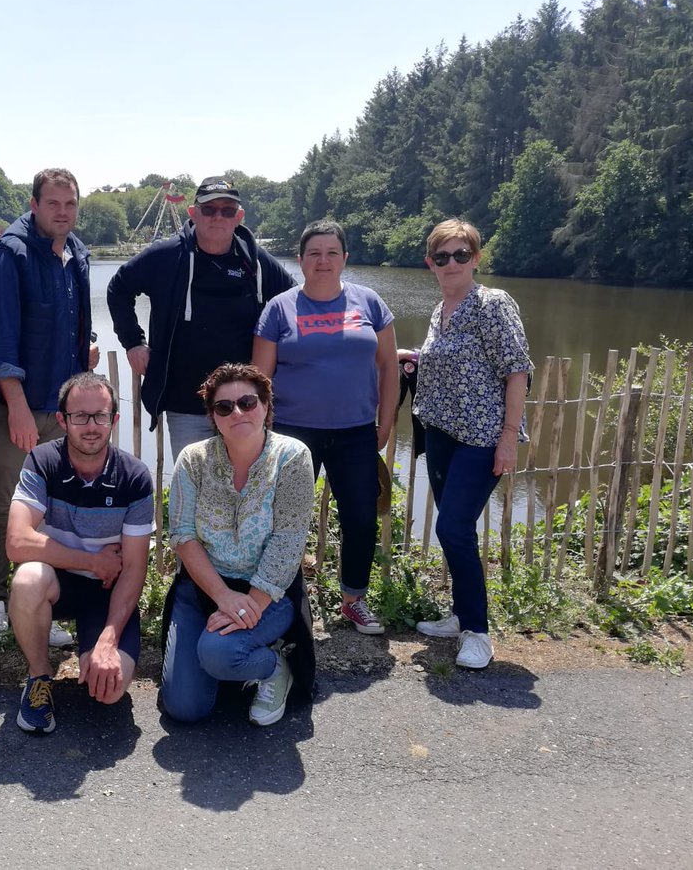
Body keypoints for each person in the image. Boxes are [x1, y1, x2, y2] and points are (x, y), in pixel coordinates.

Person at [252, 219, 398, 635]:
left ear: (344, 259)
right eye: (314, 253)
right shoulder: (279, 308)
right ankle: (282, 600)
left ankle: (353, 600)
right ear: (300, 260)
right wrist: (265, 437)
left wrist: (384, 423)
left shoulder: (369, 303)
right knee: (285, 520)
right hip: (294, 435)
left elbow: (389, 367)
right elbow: (260, 381)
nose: (323, 260)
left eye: (332, 252)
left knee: (360, 519)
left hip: (355, 432)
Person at [0, 168, 98, 643]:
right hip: (20, 408)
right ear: (33, 204)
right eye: (53, 204)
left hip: (61, 405)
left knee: (47, 512)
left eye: (70, 205)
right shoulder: (9, 255)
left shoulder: (77, 252)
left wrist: (86, 344)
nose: (63, 213)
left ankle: (35, 604)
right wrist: (18, 407)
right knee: (5, 506)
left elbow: (78, 318)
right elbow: (0, 340)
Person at [160, 363, 316, 726]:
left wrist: (252, 602)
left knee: (217, 652)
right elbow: (183, 535)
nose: (238, 412)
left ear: (265, 405)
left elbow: (288, 540)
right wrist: (223, 596)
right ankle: (230, 659)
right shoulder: (193, 459)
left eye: (248, 401)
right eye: (224, 407)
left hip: (268, 591)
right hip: (203, 587)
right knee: (185, 708)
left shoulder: (293, 457)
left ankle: (274, 667)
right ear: (213, 417)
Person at [407, 218, 532, 670]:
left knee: (452, 528)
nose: (452, 263)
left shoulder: (492, 304)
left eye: (462, 254)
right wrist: (414, 359)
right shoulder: (440, 311)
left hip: (481, 438)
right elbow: (450, 362)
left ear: (476, 259)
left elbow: (517, 371)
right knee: (453, 527)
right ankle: (461, 614)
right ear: (431, 263)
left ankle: (478, 632)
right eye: (442, 257)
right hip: (441, 434)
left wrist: (508, 439)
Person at [106, 177, 296, 460]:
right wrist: (133, 342)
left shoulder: (254, 260)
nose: (218, 216)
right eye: (209, 209)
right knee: (193, 487)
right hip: (186, 404)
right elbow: (118, 289)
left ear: (239, 217)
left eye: (227, 210)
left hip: (243, 405)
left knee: (244, 487)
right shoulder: (167, 256)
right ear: (193, 214)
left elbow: (292, 302)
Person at [6, 372, 154, 734]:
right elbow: (17, 543)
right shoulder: (42, 461)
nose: (91, 426)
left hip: (108, 590)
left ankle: (93, 645)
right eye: (80, 416)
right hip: (61, 581)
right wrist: (92, 561)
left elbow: (133, 569)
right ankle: (39, 678)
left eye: (100, 416)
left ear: (113, 420)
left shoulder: (134, 476)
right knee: (27, 579)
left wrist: (108, 640)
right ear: (62, 420)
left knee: (108, 690)